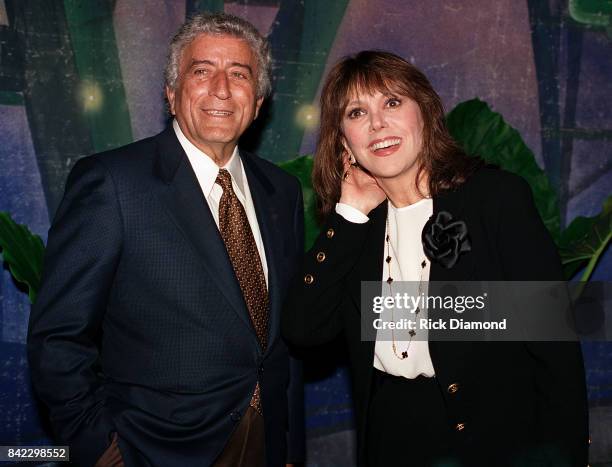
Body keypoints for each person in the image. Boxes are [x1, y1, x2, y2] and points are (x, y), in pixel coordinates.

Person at [282, 50, 589, 466]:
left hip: (499, 443)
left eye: (392, 102)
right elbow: (304, 331)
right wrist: (350, 211)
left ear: (424, 113)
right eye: (356, 113)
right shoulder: (357, 230)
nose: (377, 124)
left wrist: (567, 453)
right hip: (394, 440)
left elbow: (555, 348)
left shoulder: (493, 199)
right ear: (344, 142)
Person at [28, 12, 305, 467]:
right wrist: (97, 443)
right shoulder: (113, 183)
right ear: (172, 94)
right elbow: (58, 335)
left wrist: (289, 445)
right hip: (155, 448)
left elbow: (284, 338)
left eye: (239, 74)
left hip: (267, 443)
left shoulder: (283, 191)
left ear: (257, 102)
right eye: (202, 71)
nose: (221, 88)